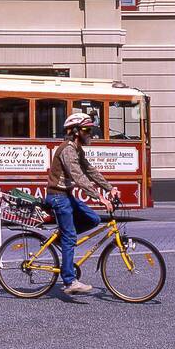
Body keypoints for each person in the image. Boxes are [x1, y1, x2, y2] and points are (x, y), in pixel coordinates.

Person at [45, 112, 115, 296]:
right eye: (87, 130)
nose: (90, 134)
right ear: (76, 132)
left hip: (66, 195)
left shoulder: (77, 150)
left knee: (93, 219)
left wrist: (110, 188)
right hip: (58, 197)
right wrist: (99, 197)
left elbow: (90, 171)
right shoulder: (67, 149)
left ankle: (62, 237)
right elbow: (79, 177)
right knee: (70, 238)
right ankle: (69, 281)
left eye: (91, 130)